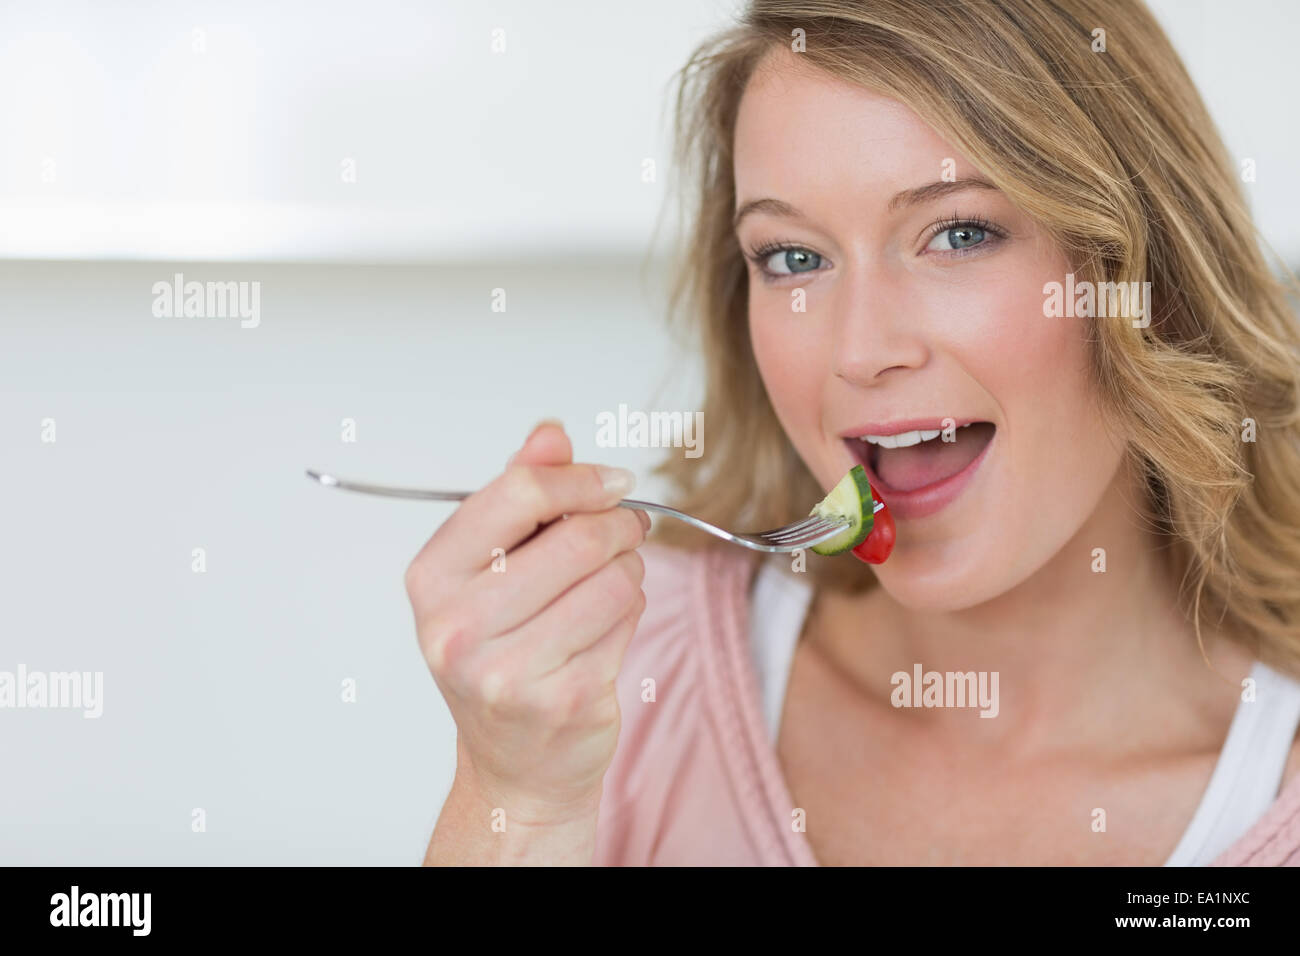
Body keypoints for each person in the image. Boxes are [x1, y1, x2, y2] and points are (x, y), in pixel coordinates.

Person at [409, 0, 1300, 865]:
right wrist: (516, 807)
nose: (860, 352)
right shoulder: (613, 678)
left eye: (957, 233)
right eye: (794, 257)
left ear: (1149, 273)